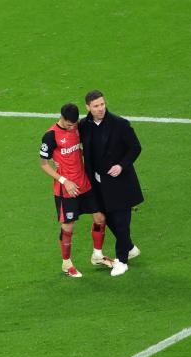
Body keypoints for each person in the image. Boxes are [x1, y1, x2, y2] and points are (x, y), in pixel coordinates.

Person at [39, 102, 114, 278]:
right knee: (68, 228)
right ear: (62, 118)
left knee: (100, 217)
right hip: (66, 189)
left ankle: (97, 255)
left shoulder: (77, 128)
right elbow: (43, 164)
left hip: (84, 184)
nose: (72, 127)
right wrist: (65, 181)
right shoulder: (50, 136)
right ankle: (67, 264)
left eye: (74, 124)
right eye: (69, 124)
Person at [79, 90, 143, 277]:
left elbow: (135, 147)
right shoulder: (84, 125)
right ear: (88, 107)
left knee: (122, 222)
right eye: (96, 106)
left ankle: (122, 260)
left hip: (120, 182)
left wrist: (121, 165)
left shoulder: (119, 124)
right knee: (108, 219)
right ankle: (129, 247)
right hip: (98, 182)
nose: (100, 109)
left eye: (102, 104)